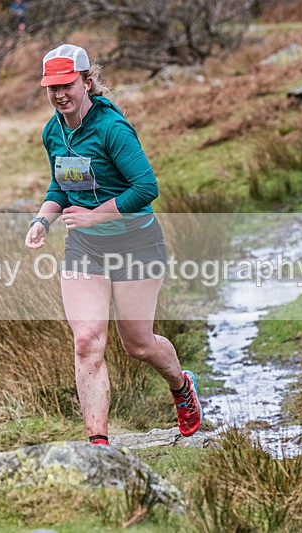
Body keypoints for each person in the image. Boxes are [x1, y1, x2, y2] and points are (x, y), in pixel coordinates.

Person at [24, 44, 202, 445]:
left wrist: (94, 215)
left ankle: (181, 387)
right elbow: (61, 183)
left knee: (138, 344)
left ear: (87, 81)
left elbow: (147, 187)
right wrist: (43, 219)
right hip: (85, 248)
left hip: (137, 244)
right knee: (87, 342)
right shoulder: (53, 130)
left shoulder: (111, 129)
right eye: (51, 87)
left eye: (66, 85)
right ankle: (99, 444)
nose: (59, 95)